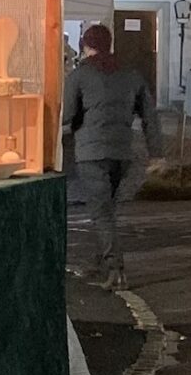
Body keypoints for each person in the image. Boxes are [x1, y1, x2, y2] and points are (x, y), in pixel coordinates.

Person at [62, 22, 162, 288]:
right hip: (122, 152)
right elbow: (150, 117)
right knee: (106, 209)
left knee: (101, 212)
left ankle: (115, 270)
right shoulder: (130, 75)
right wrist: (156, 154)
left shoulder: (80, 75)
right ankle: (99, 262)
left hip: (91, 153)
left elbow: (67, 114)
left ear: (86, 46)